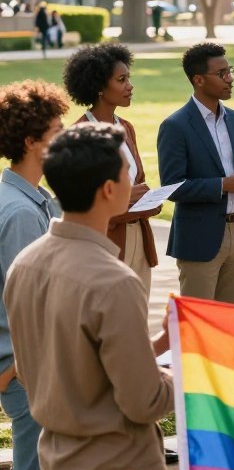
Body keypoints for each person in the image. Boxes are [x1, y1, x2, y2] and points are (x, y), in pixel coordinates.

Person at [5, 123, 175, 470]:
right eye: (127, 172)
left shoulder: (26, 263)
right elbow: (143, 402)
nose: (134, 181)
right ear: (107, 190)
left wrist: (157, 342)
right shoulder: (113, 280)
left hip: (61, 469)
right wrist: (185, 369)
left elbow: (59, 359)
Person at [0, 80, 68, 470]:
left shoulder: (29, 201)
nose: (65, 139)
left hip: (26, 371)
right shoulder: (20, 212)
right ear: (31, 141)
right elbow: (26, 305)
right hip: (27, 374)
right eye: (58, 130)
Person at [158, 42, 234, 304]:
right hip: (200, 239)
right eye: (222, 74)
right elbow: (172, 186)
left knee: (229, 323)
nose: (230, 78)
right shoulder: (175, 126)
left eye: (230, 70)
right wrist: (224, 185)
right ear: (199, 80)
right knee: (198, 327)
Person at [63, 42, 161, 291]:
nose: (130, 86)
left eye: (129, 78)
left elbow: (135, 184)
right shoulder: (80, 134)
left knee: (138, 319)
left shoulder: (126, 127)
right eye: (121, 79)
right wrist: (133, 201)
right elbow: (84, 205)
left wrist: (149, 200)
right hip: (104, 242)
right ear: (98, 87)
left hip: (139, 238)